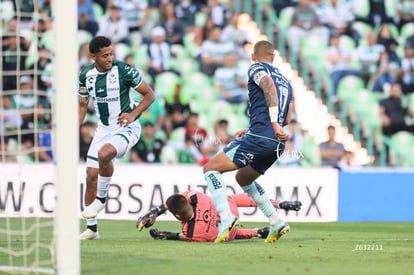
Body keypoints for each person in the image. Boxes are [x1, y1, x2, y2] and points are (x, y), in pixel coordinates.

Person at [202, 40, 293, 244]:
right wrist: (268, 126)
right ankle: (276, 221)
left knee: (210, 169)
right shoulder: (287, 81)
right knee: (243, 179)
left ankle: (227, 218)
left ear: (253, 56)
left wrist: (268, 125)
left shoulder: (256, 68)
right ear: (273, 56)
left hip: (262, 136)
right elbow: (286, 118)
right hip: (277, 143)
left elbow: (268, 86)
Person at [78, 36, 155, 240]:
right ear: (92, 56)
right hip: (103, 128)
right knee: (90, 176)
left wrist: (132, 114)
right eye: (105, 55)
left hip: (127, 126)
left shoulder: (123, 70)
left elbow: (149, 95)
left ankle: (101, 199)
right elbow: (82, 104)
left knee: (105, 153)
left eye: (111, 53)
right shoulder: (86, 75)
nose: (109, 58)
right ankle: (92, 230)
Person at [136, 190, 302, 242]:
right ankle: (279, 204)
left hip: (227, 231)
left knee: (227, 234)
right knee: (231, 198)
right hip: (230, 209)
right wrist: (158, 211)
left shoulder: (192, 233)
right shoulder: (196, 197)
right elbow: (178, 199)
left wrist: (162, 233)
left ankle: (257, 231)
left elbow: (179, 236)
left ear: (178, 217)